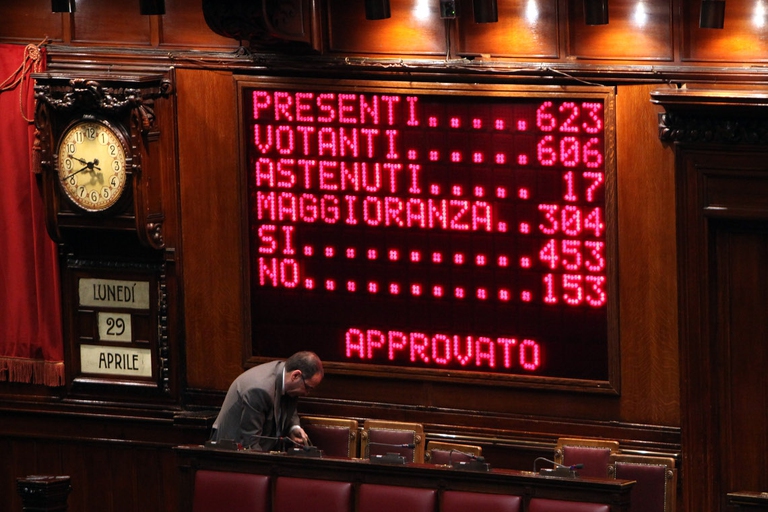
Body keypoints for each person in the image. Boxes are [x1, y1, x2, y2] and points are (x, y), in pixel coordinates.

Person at [210, 351, 323, 451]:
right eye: (308, 388)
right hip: (232, 452)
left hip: (260, 448)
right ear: (296, 375)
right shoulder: (259, 390)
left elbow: (290, 403)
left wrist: (293, 427)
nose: (306, 393)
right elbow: (250, 442)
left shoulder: (287, 375)